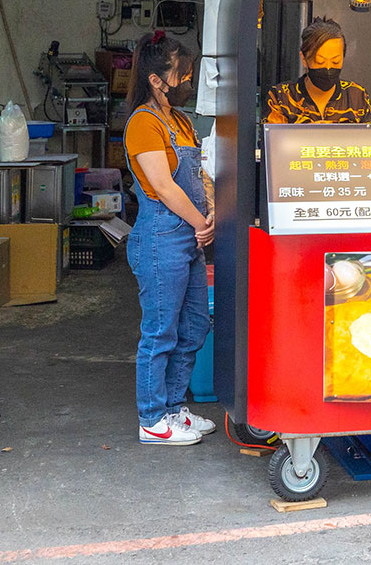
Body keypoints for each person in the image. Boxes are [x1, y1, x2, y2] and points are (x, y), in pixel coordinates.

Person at [123, 31, 216, 446]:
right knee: (160, 331)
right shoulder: (143, 123)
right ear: (157, 80)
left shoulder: (180, 121)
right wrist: (201, 222)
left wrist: (211, 207)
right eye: (183, 73)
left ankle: (175, 408)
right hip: (161, 238)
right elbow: (163, 186)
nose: (189, 81)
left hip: (188, 239)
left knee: (194, 325)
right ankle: (151, 418)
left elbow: (197, 174)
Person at [265, 16, 371, 124]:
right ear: (304, 59)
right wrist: (309, 133)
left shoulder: (356, 96)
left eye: (335, 61)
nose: (328, 68)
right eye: (320, 62)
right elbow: (272, 140)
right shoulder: (281, 96)